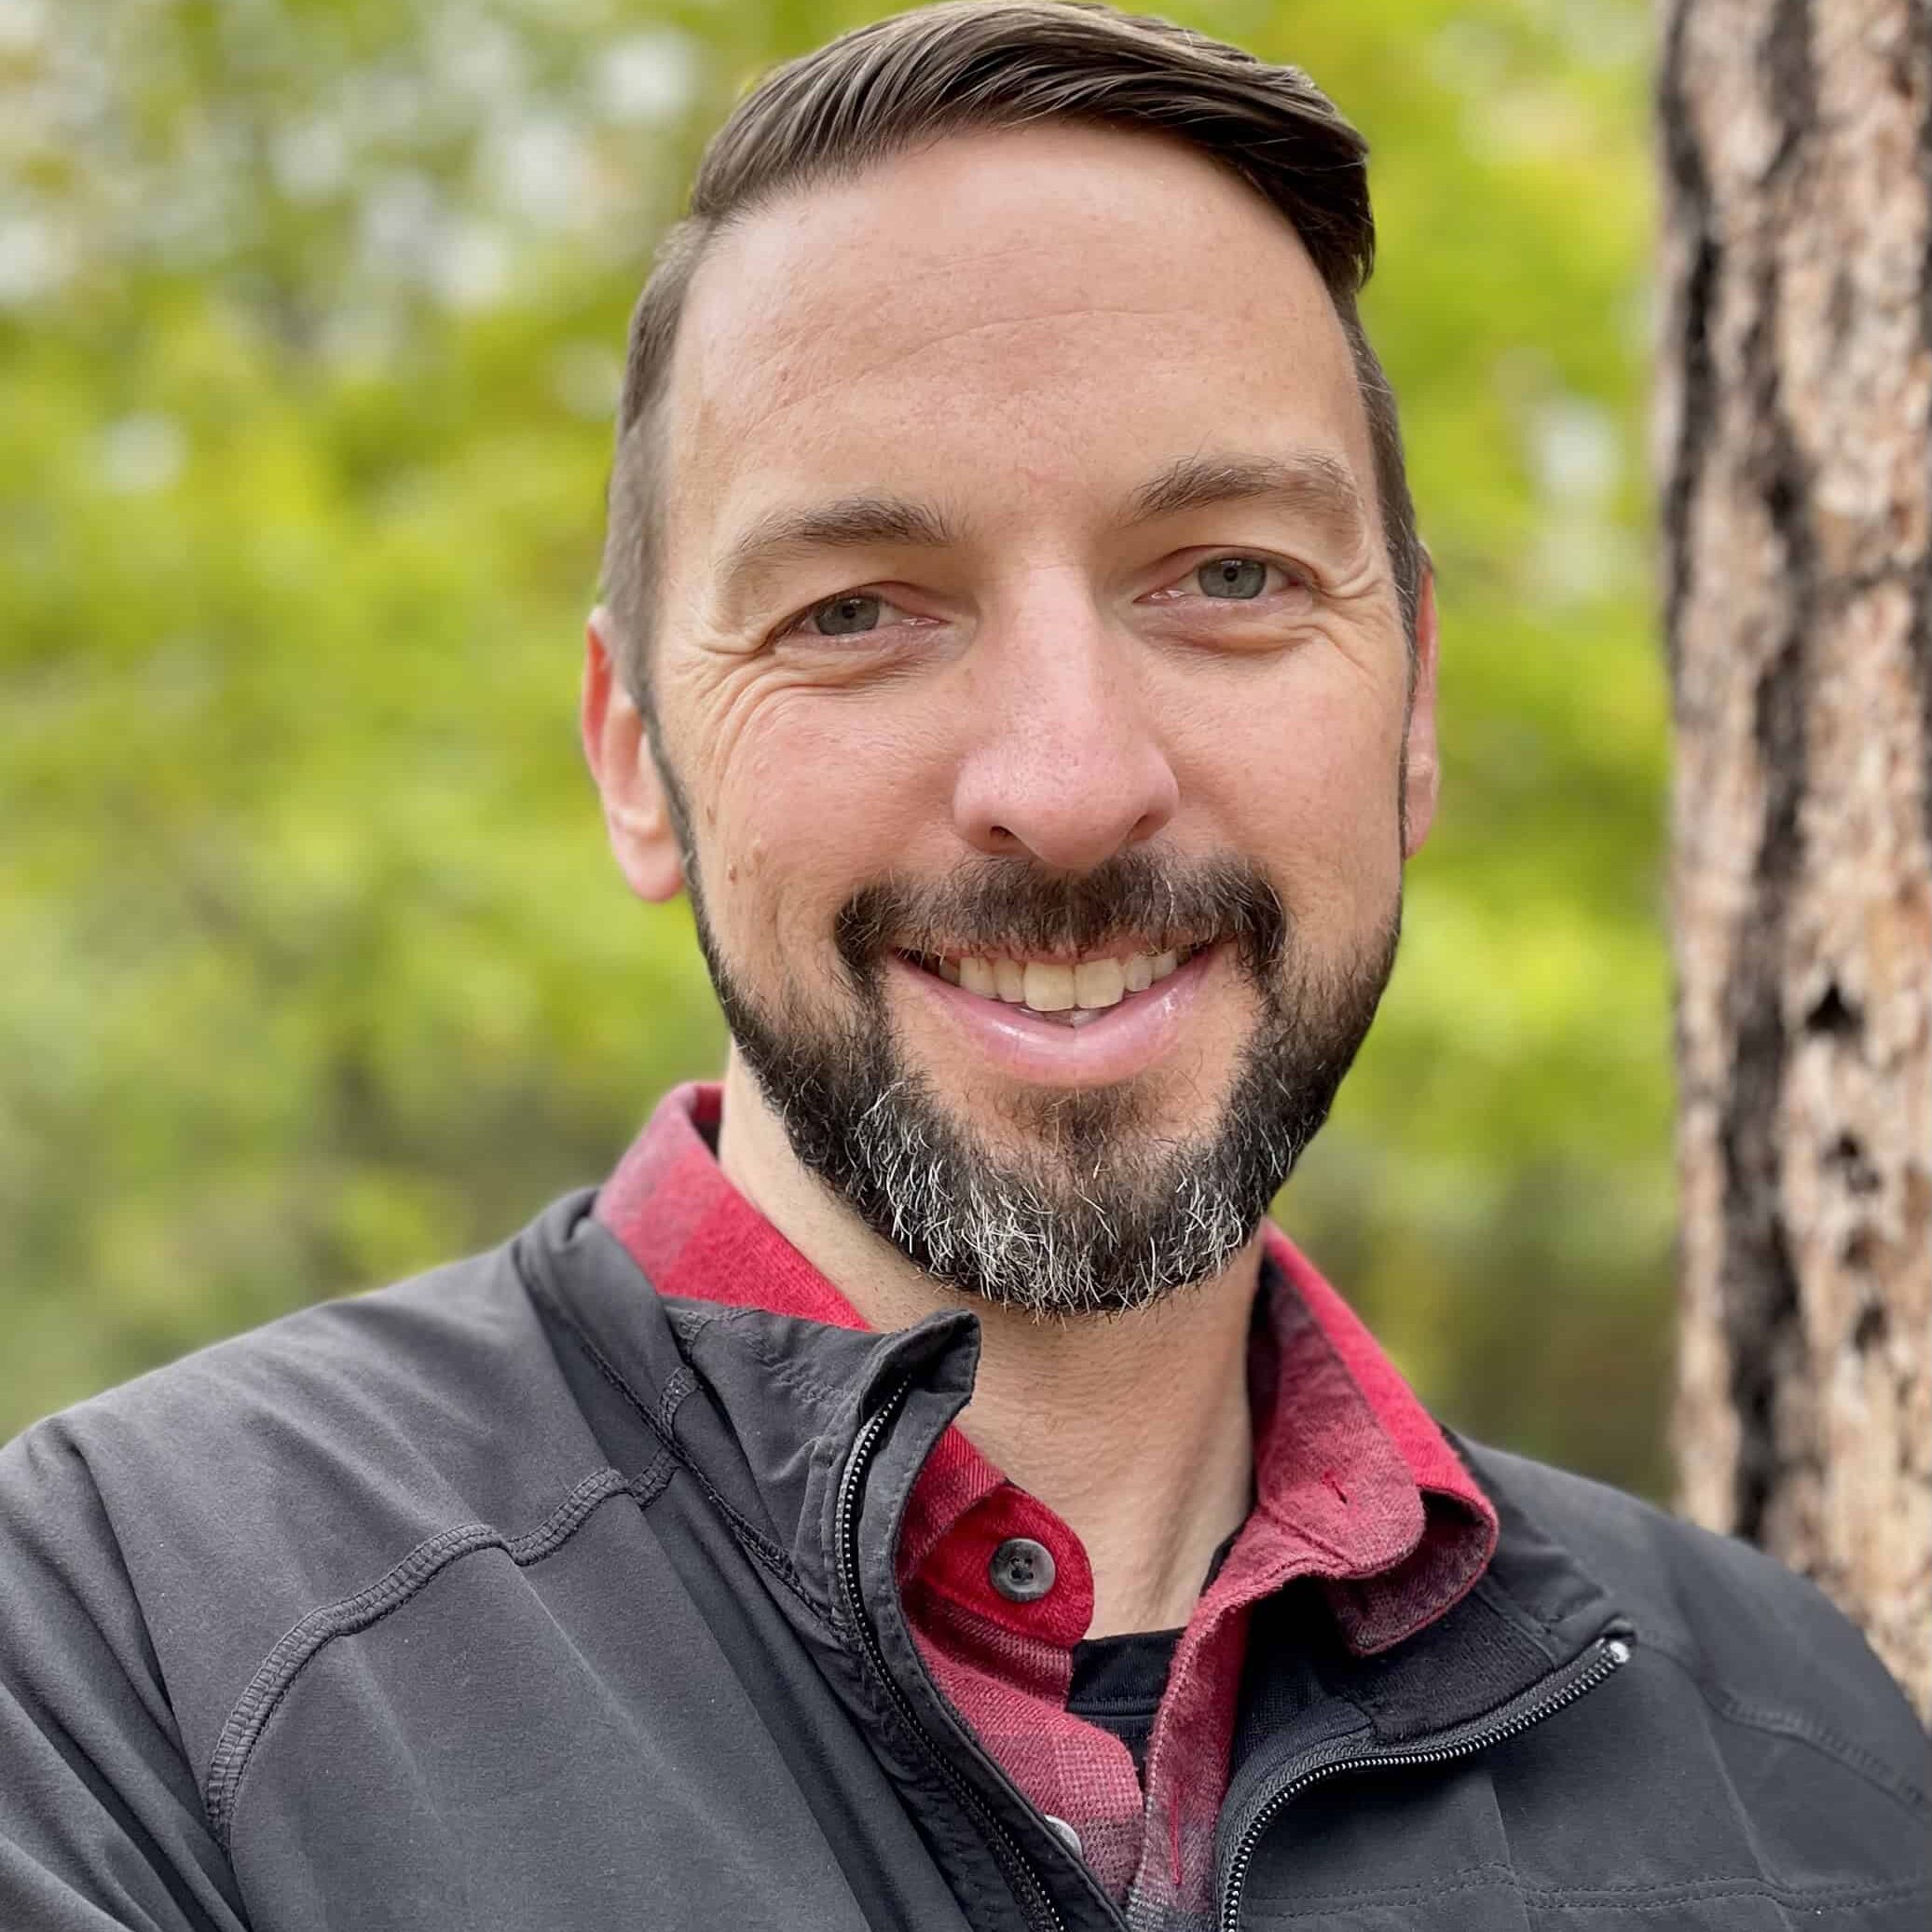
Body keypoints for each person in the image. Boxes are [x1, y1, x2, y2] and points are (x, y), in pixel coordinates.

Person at [3, 4, 1926, 1928]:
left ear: (1411, 697)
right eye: (856, 611)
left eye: (1230, 572)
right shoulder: (126, 1650)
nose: (1070, 784)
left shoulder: (1802, 1758)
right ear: (630, 757)